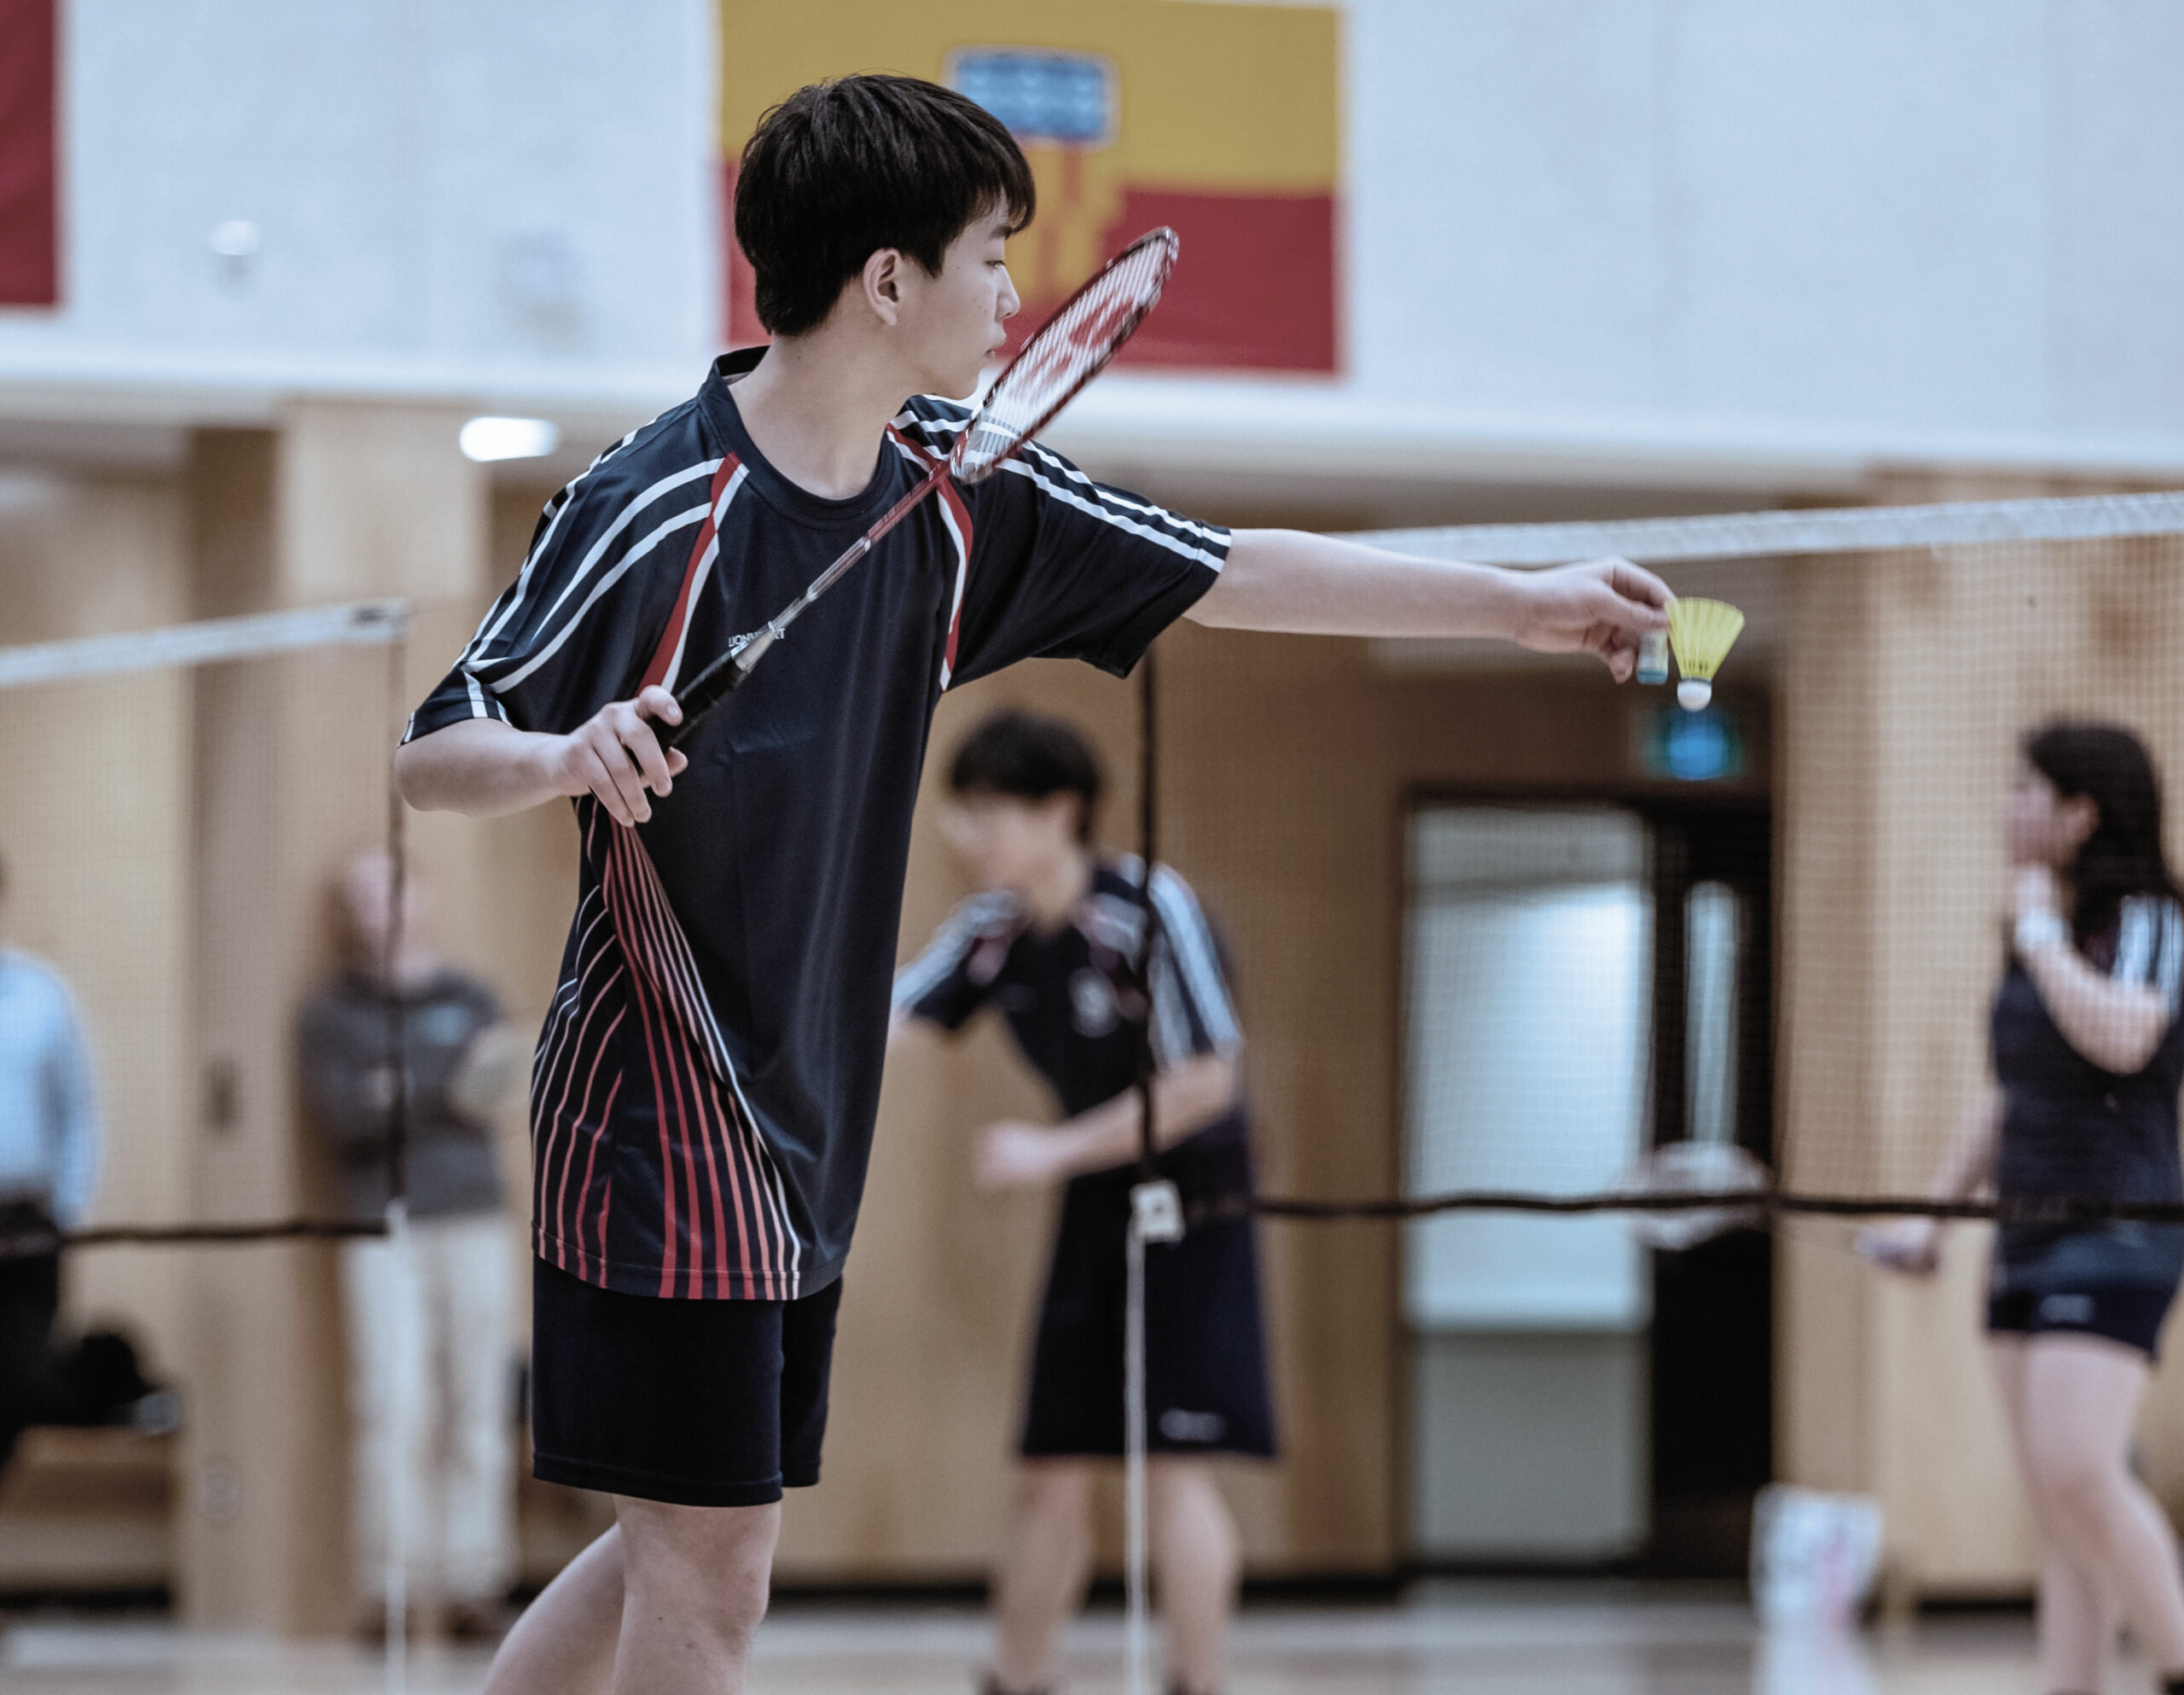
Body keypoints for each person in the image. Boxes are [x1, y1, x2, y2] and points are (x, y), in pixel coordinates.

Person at [393, 73, 1670, 1695]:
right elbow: (441, 744)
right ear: (886, 281)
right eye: (992, 254)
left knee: (685, 1535)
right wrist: (567, 756)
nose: (1014, 294)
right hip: (660, 1110)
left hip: (808, 1131)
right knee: (713, 1569)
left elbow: (1232, 568)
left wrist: (1525, 604)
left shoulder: (954, 499)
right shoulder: (657, 504)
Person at [891, 710, 1270, 1695]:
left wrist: (1052, 1148)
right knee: (1047, 1462)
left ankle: (1201, 1679)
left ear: (1059, 811)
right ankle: (1017, 1678)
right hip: (1095, 1197)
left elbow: (1206, 1084)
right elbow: (886, 1018)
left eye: (988, 811)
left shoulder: (1149, 910)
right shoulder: (991, 929)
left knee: (1172, 1464)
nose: (970, 833)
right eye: (961, 813)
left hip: (1190, 1198)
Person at [1866, 723, 2184, 1695]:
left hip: (2119, 1226)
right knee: (2057, 1498)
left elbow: (2125, 1037)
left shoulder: (2147, 919)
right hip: (2023, 1232)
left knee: (2078, 1466)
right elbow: (2012, 1096)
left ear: (2079, 813)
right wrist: (1931, 1216)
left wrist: (2041, 931)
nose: (2005, 808)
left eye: (2024, 790)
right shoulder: (2036, 937)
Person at [299, 849, 525, 1638]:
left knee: (477, 1401)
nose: (377, 911)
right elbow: (349, 1118)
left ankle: (474, 1581)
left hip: (475, 1218)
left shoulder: (471, 994)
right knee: (394, 1402)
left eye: (388, 892)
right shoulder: (331, 1013)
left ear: (418, 896)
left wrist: (401, 1087)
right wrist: (443, 1083)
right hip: (381, 1223)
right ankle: (391, 1586)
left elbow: (492, 1091)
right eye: (358, 897)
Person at [0, 851, 98, 1474]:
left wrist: (66, 1210)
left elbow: (80, 1111)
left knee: (22, 1376)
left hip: (26, 1216)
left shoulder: (40, 994)